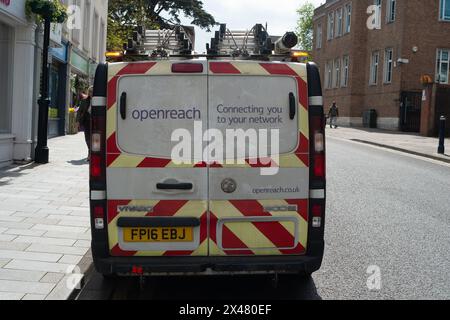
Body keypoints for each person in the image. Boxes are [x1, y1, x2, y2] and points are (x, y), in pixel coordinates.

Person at [76, 86, 93, 160]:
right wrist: (77, 121)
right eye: (90, 92)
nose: (91, 93)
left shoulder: (99, 100)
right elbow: (79, 111)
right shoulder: (84, 100)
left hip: (96, 121)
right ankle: (90, 152)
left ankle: (92, 153)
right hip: (87, 121)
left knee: (95, 138)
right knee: (87, 138)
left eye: (92, 91)